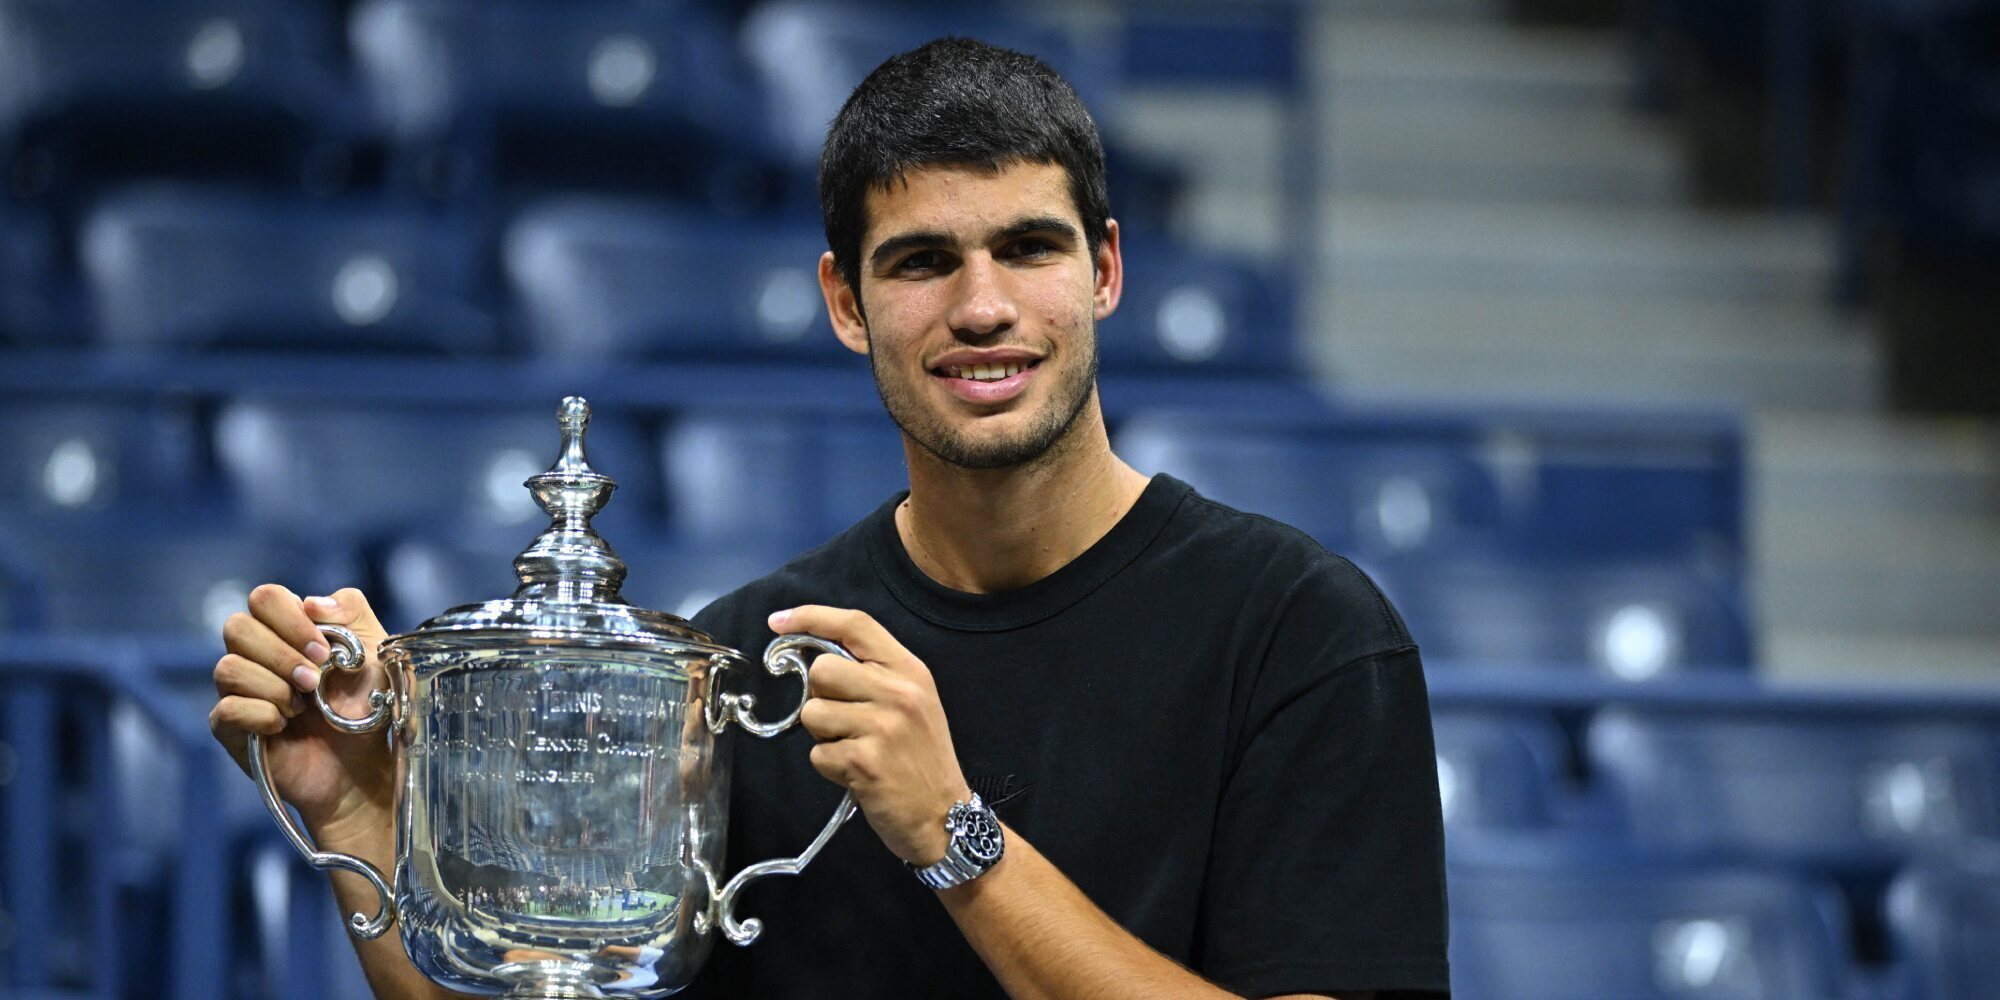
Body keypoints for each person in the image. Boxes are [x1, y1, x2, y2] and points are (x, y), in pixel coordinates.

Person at [206, 37, 1448, 1000]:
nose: (981, 306)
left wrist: (957, 838)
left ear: (1106, 271)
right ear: (844, 302)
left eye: (1029, 248)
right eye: (919, 262)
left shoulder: (1304, 634)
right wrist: (364, 823)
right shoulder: (743, 661)